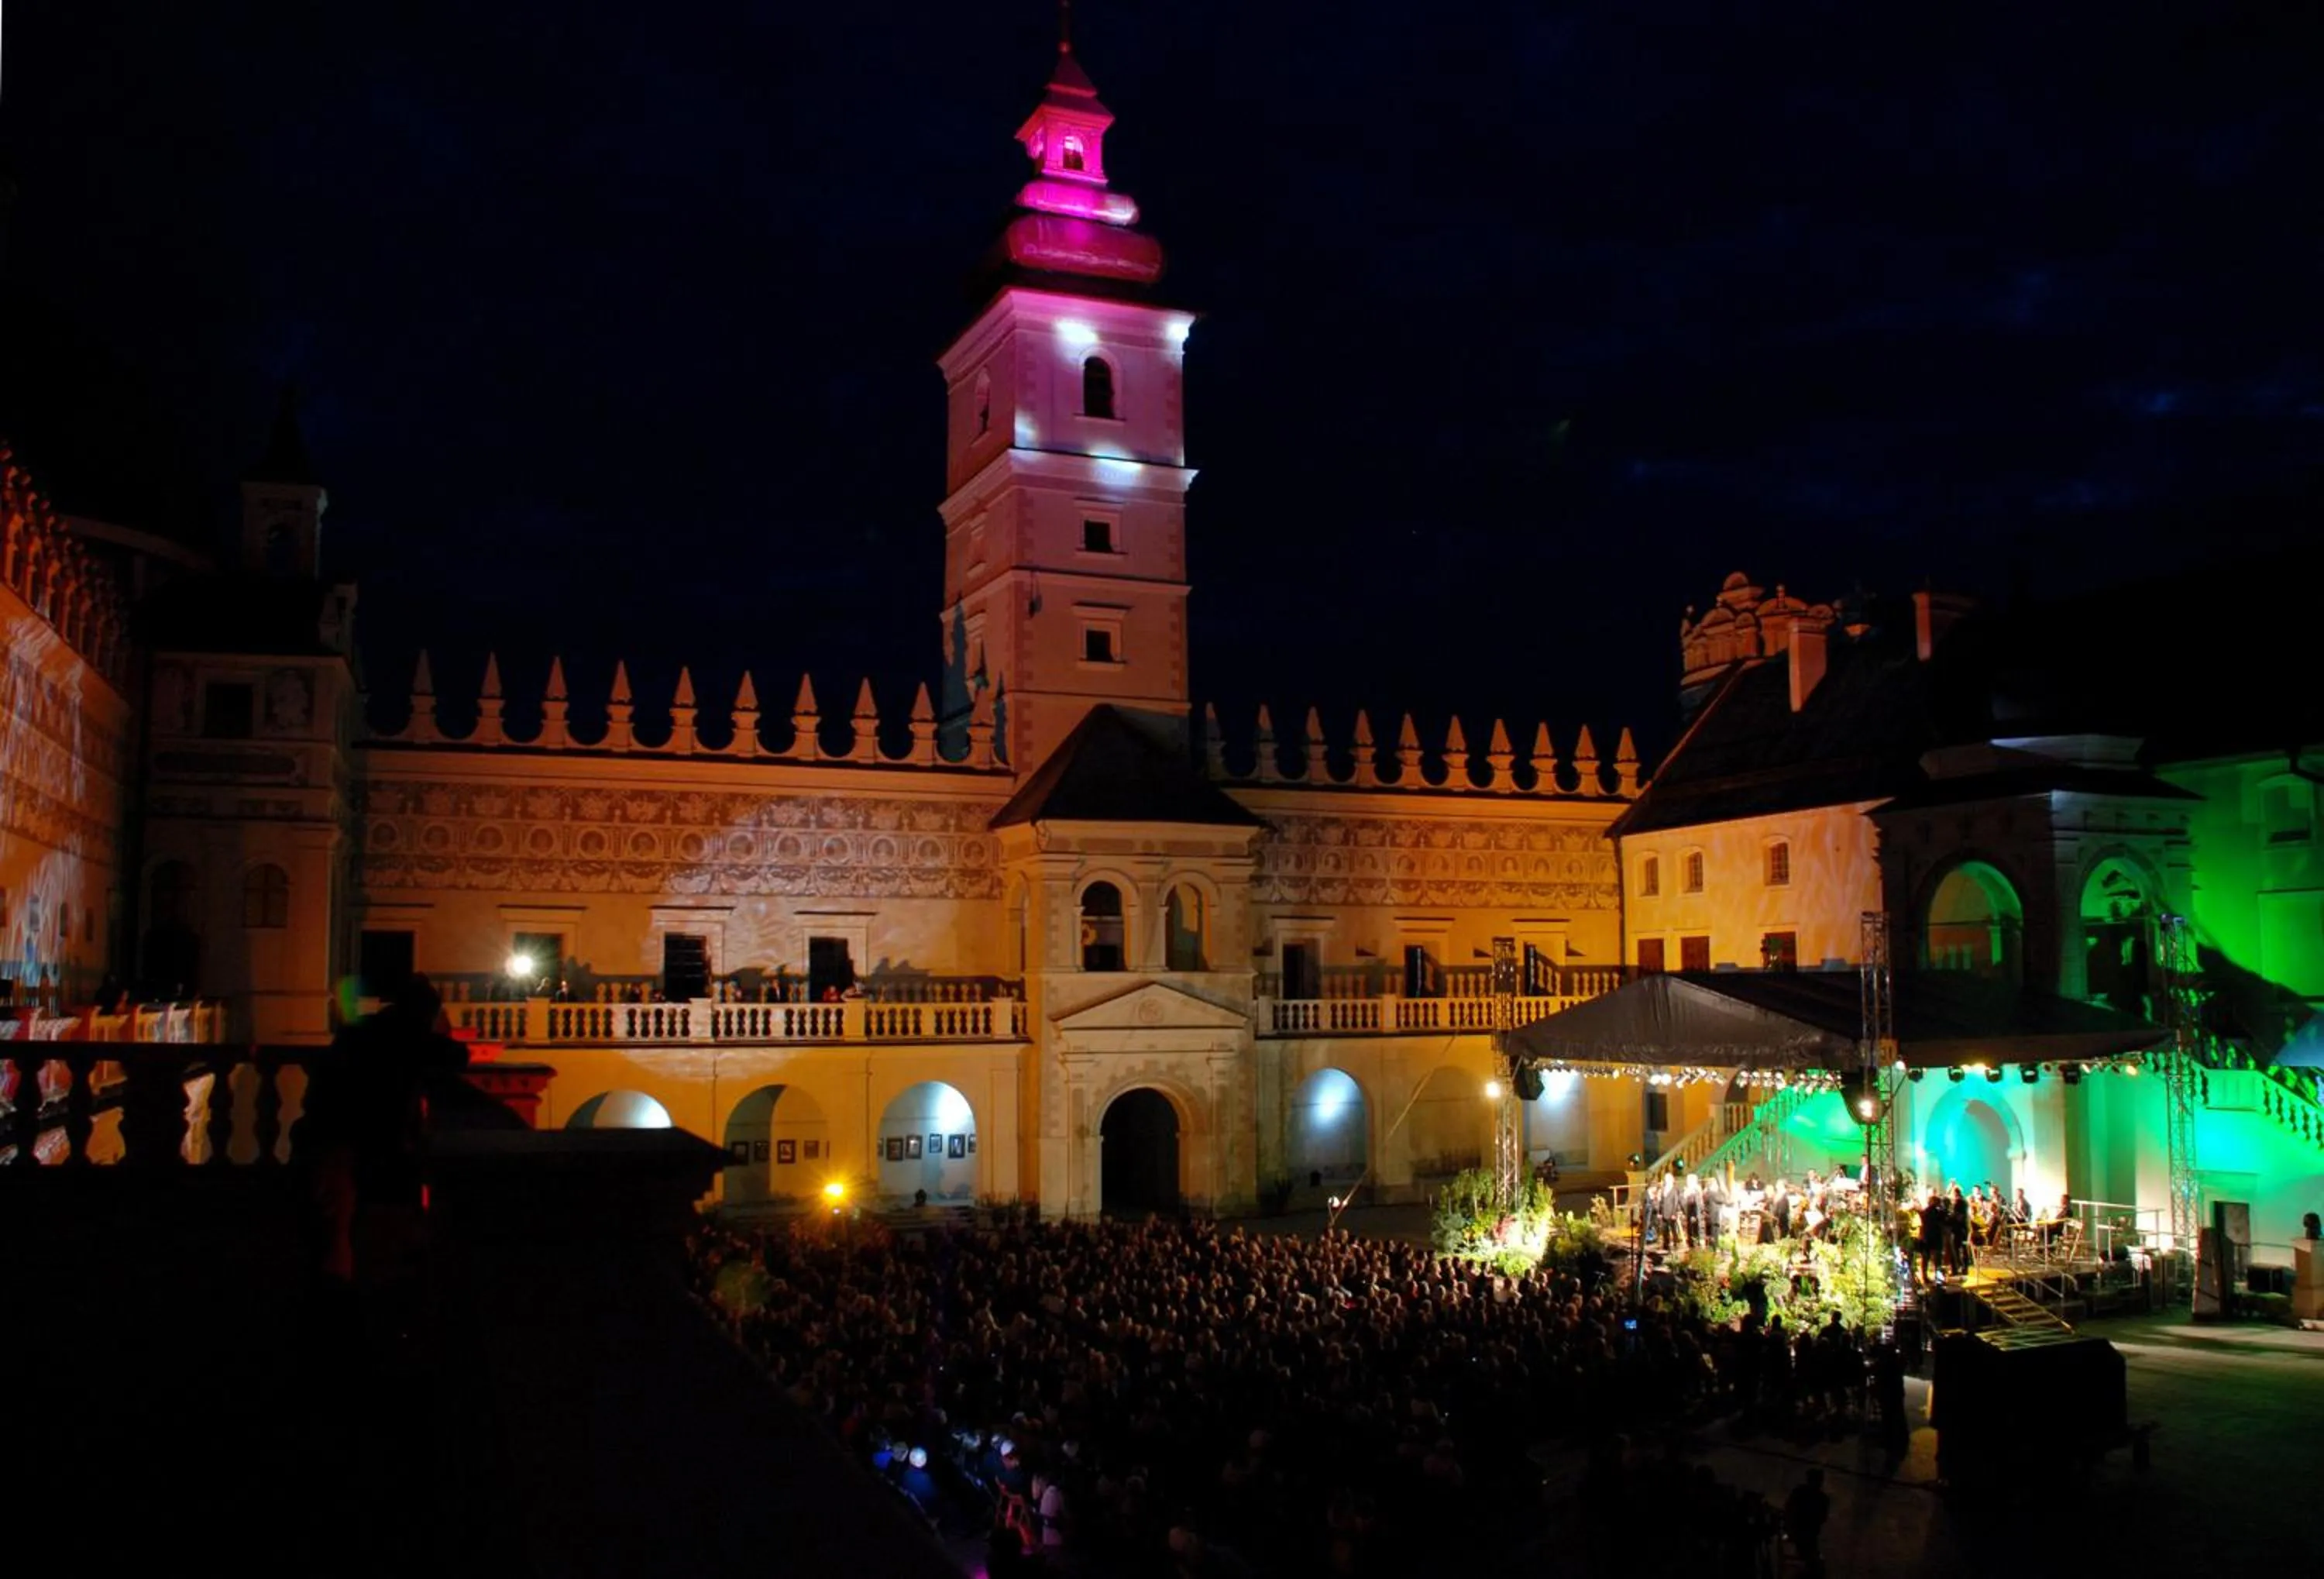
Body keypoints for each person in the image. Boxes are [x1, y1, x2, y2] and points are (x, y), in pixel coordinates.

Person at [1783, 1467, 1831, 1578]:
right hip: (1802, 1534)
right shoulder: (1805, 1494)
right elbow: (1790, 1510)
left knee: (1811, 1561)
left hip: (1805, 1535)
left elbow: (1821, 1518)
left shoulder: (1819, 1498)